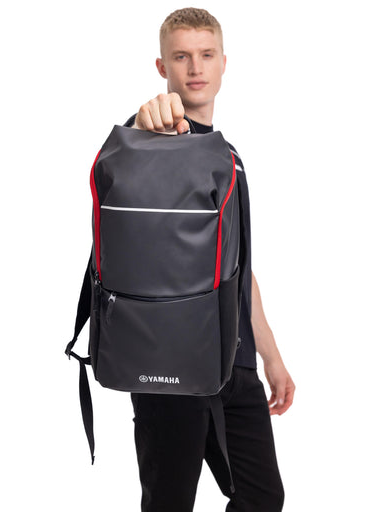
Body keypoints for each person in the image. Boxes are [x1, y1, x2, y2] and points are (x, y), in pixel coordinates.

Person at [124, 8, 295, 512]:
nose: (195, 67)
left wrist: (271, 357)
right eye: (181, 57)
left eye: (206, 55)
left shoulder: (229, 156)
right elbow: (143, 135)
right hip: (170, 364)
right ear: (162, 67)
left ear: (223, 63)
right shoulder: (154, 142)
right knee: (169, 502)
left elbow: (238, 266)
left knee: (262, 497)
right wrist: (148, 123)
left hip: (234, 363)